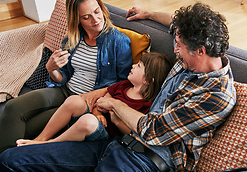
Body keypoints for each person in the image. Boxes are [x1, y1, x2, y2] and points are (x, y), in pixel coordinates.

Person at [0, 2, 236, 172]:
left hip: (144, 167)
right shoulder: (194, 54)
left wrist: (113, 103)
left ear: (201, 51)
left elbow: (152, 130)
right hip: (116, 145)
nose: (175, 50)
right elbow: (176, 23)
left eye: (179, 46)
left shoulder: (216, 95)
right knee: (10, 161)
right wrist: (150, 14)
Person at [0, 0, 133, 153]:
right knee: (13, 107)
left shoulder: (118, 41)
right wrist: (52, 69)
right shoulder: (73, 38)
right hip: (63, 91)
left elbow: (124, 83)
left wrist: (95, 97)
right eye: (86, 17)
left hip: (84, 103)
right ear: (77, 20)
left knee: (27, 128)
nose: (96, 20)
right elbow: (63, 77)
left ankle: (10, 164)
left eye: (97, 11)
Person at [16, 53, 173, 145]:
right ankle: (40, 138)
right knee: (74, 101)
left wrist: (117, 120)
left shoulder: (147, 104)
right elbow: (104, 98)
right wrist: (97, 112)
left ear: (148, 80)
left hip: (106, 137)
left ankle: (47, 144)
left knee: (88, 120)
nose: (133, 65)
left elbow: (134, 131)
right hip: (96, 120)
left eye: (139, 66)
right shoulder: (124, 85)